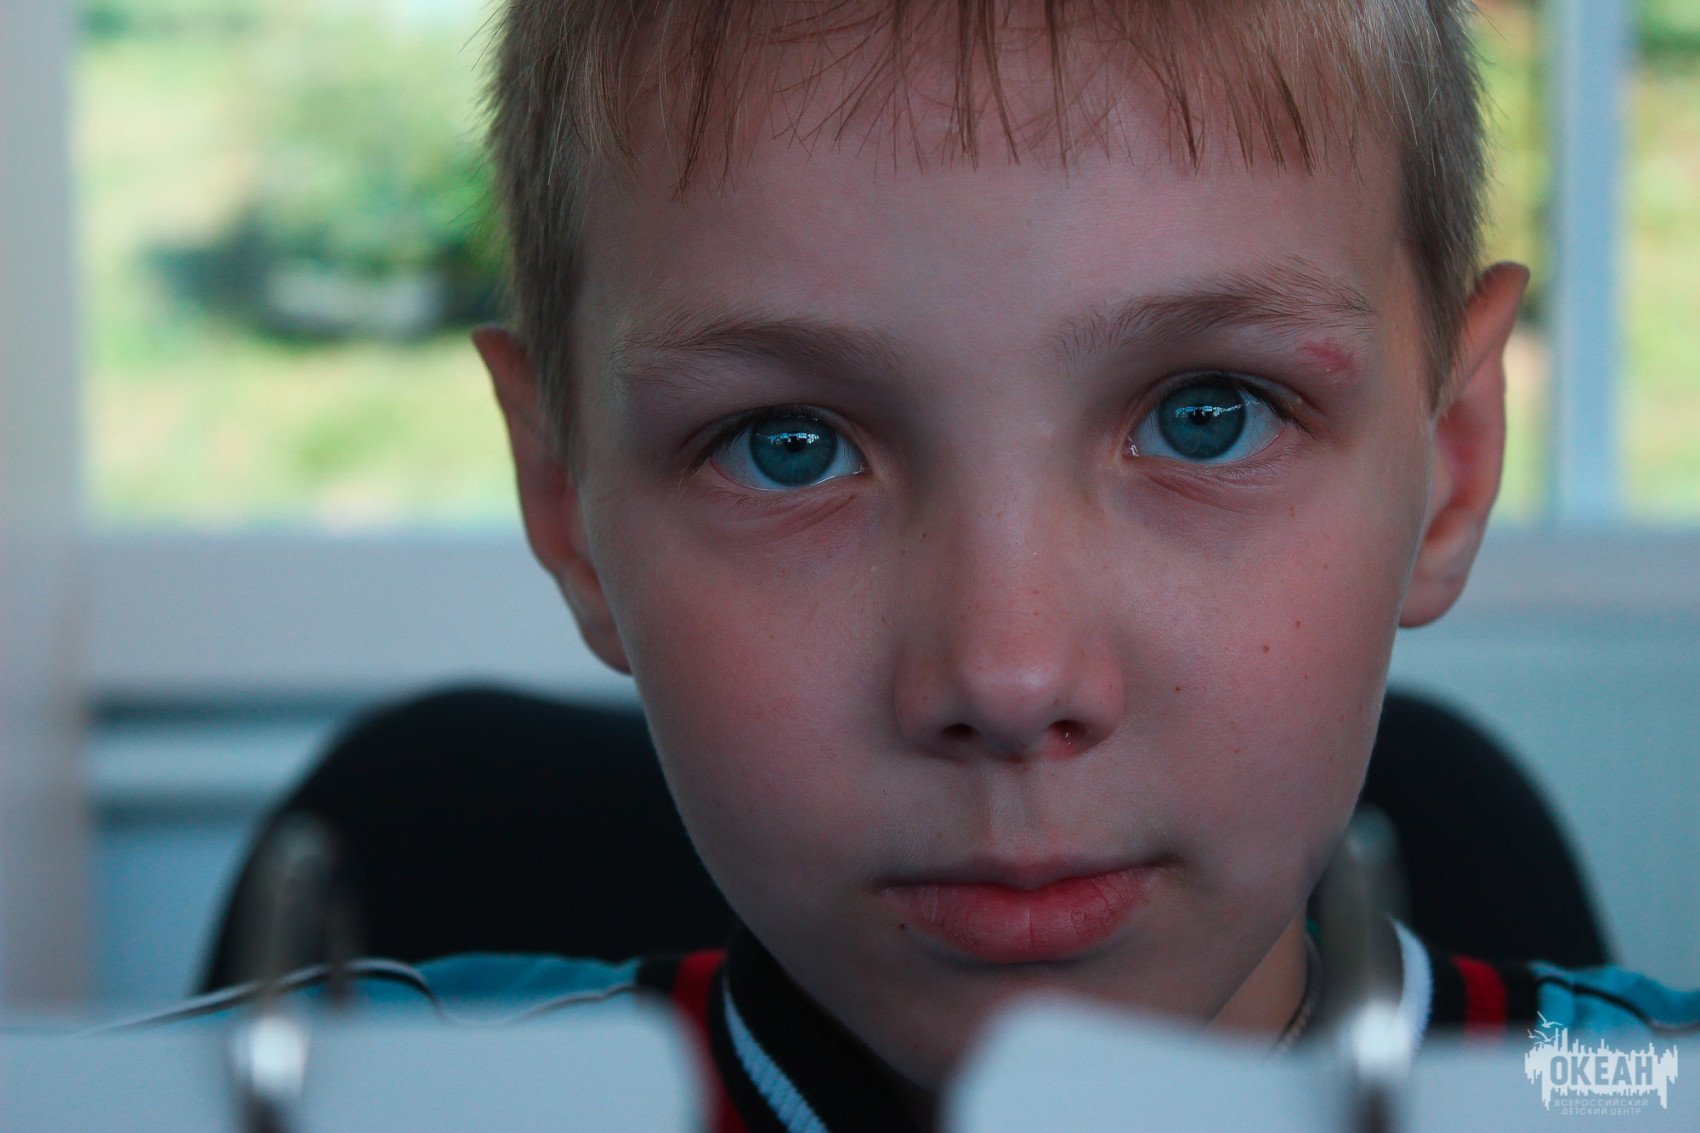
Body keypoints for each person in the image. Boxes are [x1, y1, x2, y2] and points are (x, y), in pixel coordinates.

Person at [157, 1, 1700, 1128]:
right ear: (565, 499)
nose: (1010, 675)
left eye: (1208, 414)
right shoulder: (341, 1095)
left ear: (1452, 462)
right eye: (788, 446)